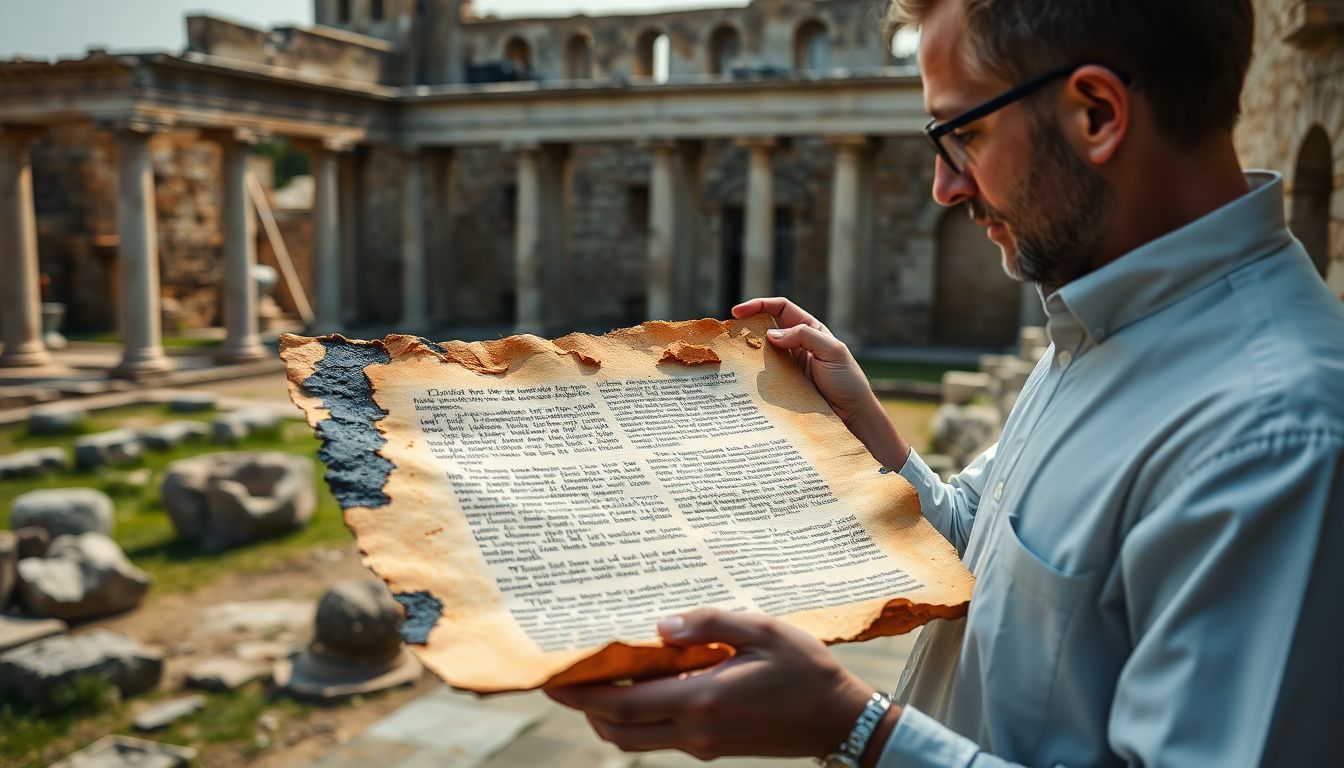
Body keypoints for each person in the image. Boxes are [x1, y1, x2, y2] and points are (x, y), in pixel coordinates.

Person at [546, 0, 1344, 764]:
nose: (946, 186)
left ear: (1096, 112)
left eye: (962, 133)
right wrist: (870, 437)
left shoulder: (1273, 435)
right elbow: (996, 558)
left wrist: (855, 729)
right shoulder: (1113, 317)